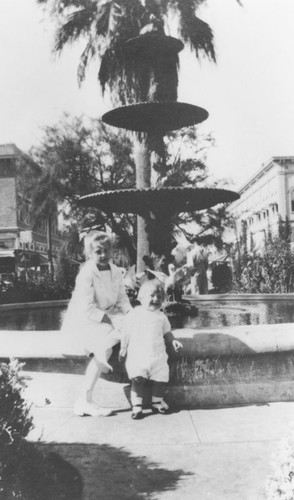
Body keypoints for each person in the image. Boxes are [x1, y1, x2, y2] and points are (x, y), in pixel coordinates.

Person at [62, 230, 131, 417]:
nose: (103, 255)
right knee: (105, 347)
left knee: (130, 330)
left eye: (106, 250)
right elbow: (86, 308)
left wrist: (130, 315)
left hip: (105, 317)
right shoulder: (86, 273)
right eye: (98, 251)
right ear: (89, 254)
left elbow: (122, 299)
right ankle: (84, 399)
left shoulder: (115, 271)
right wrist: (111, 320)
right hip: (84, 320)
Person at [119, 279, 182, 420]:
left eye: (160, 297)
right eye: (152, 296)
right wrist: (123, 347)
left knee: (160, 379)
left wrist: (174, 341)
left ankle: (157, 401)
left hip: (158, 355)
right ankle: (137, 406)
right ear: (141, 298)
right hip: (138, 355)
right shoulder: (135, 313)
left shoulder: (162, 316)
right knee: (137, 380)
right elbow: (126, 331)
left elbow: (167, 332)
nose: (156, 299)